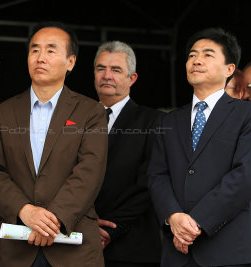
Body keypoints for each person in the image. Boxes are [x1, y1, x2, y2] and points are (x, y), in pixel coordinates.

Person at [0, 21, 108, 267]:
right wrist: (25, 211)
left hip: (74, 248)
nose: (40, 57)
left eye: (51, 50)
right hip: (18, 246)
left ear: (70, 62)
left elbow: (90, 171)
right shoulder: (3, 113)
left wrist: (54, 220)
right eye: (35, 50)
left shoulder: (90, 111)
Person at [148, 27, 251, 266]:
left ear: (229, 69)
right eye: (192, 55)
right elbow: (156, 175)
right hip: (177, 252)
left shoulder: (246, 115)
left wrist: (196, 223)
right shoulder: (169, 120)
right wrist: (173, 216)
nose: (196, 60)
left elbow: (245, 175)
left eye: (208, 54)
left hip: (228, 250)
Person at [93, 41, 162, 267]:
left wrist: (110, 227)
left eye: (116, 70)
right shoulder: (74, 120)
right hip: (78, 242)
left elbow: (150, 182)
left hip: (132, 249)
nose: (107, 76)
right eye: (101, 68)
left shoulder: (153, 121)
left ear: (132, 78)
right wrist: (83, 221)